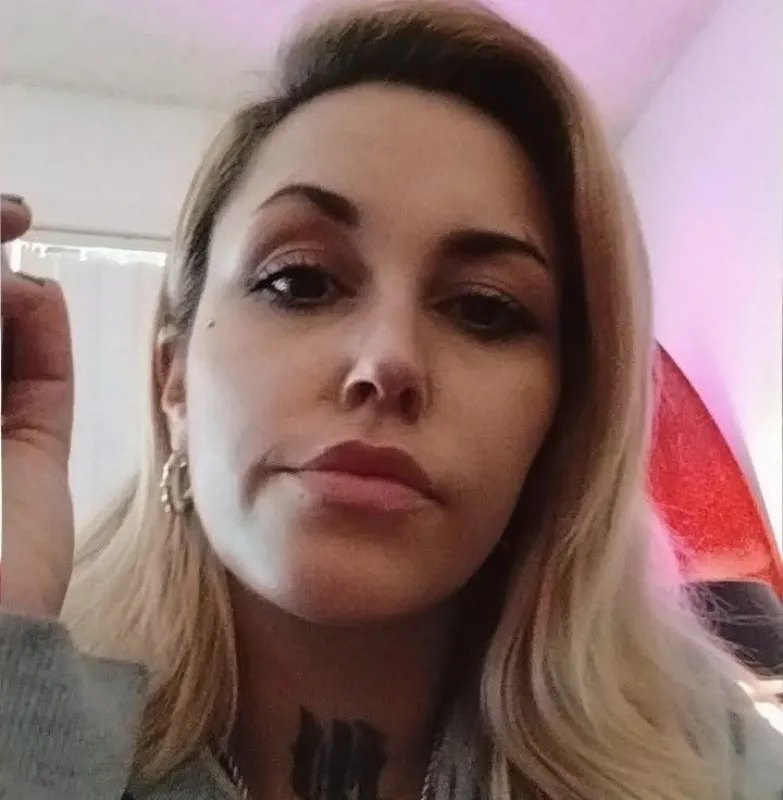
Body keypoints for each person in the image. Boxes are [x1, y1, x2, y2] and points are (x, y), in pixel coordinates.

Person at [1, 2, 781, 799]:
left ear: (560, 419)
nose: (387, 360)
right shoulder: (25, 691)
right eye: (299, 281)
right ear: (173, 380)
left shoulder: (708, 764)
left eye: (484, 308)